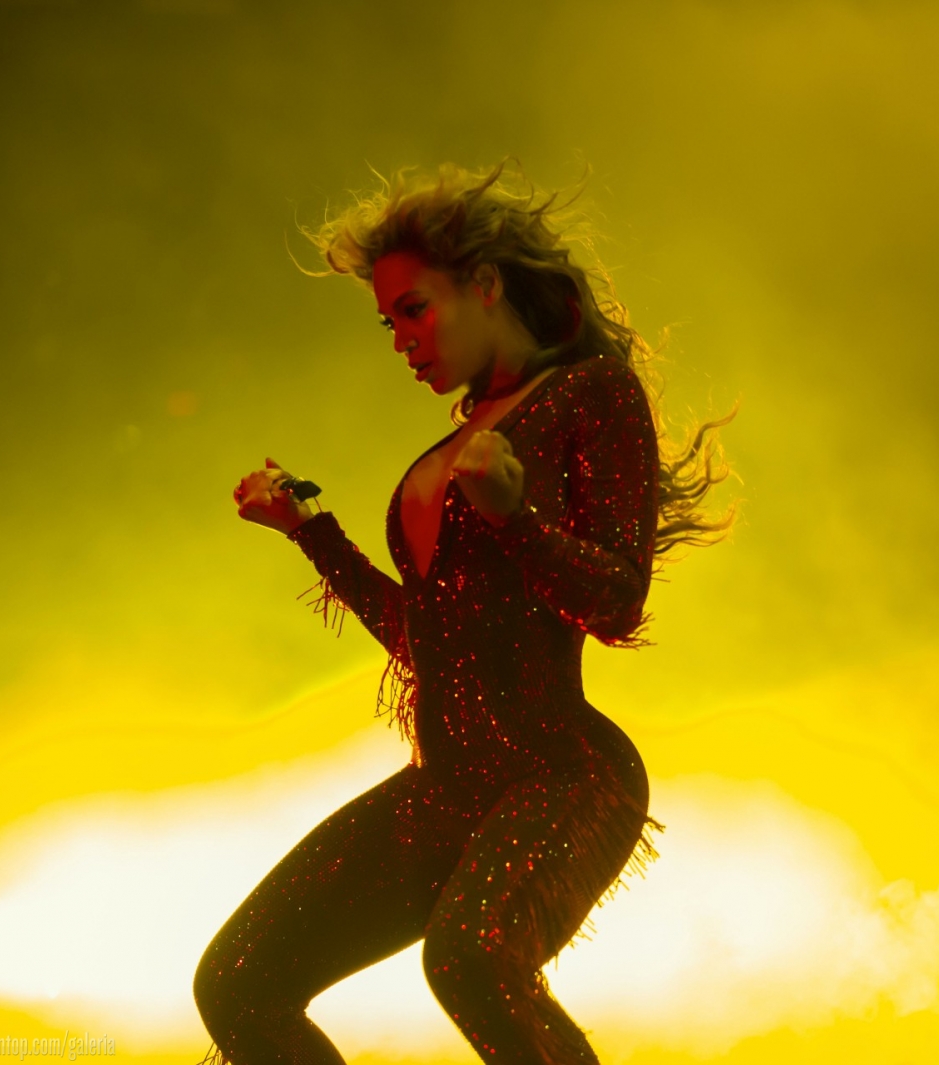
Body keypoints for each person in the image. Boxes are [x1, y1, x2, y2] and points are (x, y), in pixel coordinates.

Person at [193, 163, 727, 1063]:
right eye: (387, 320)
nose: (400, 339)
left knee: (472, 963)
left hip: (564, 776)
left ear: (485, 285)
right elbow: (429, 640)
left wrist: (514, 519)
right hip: (451, 785)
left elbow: (617, 603)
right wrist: (310, 530)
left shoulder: (592, 394)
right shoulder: (463, 433)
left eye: (414, 309)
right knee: (241, 983)